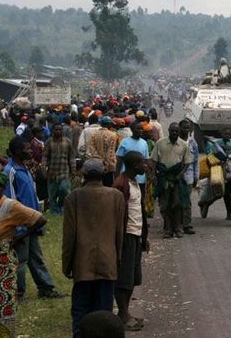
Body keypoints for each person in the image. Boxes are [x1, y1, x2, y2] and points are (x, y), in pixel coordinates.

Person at [62, 159, 126, 338]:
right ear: (104, 173)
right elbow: (119, 233)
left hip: (82, 263)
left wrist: (66, 264)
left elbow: (69, 237)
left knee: (80, 309)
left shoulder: (74, 197)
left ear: (83, 175)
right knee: (104, 311)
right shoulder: (116, 196)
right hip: (108, 261)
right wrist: (117, 259)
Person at [3, 137, 66, 300]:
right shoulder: (11, 171)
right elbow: (10, 201)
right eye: (27, 148)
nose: (31, 151)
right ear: (17, 151)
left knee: (36, 257)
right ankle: (18, 293)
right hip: (21, 226)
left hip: (33, 223)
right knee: (21, 260)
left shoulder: (25, 168)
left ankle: (46, 288)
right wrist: (17, 228)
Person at [0, 171, 46, 337]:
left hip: (1, 263)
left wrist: (18, 238)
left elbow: (39, 220)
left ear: (2, 188)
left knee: (1, 304)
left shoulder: (10, 206)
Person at [112, 151, 146, 332]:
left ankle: (125, 313)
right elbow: (116, 214)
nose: (145, 166)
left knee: (133, 277)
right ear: (134, 165)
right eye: (142, 163)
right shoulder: (121, 184)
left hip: (136, 235)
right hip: (126, 236)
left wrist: (144, 237)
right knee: (123, 278)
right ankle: (123, 315)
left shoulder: (134, 182)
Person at [151, 123, 191, 238]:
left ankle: (178, 228)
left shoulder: (184, 145)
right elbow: (153, 161)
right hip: (164, 178)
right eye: (172, 131)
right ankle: (168, 229)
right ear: (168, 130)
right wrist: (153, 175)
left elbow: (187, 163)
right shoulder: (160, 143)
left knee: (178, 204)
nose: (174, 133)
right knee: (165, 205)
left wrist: (180, 174)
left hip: (177, 178)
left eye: (176, 132)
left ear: (179, 132)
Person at [42, 123, 76, 214]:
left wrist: (73, 170)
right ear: (53, 131)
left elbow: (71, 157)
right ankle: (54, 211)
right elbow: (44, 156)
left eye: (60, 129)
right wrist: (43, 169)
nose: (58, 131)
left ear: (62, 131)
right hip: (52, 172)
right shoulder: (48, 142)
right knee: (52, 194)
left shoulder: (67, 142)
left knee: (64, 190)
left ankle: (61, 206)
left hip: (64, 172)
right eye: (56, 129)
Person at [87, 116, 119, 187]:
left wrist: (99, 160)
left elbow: (92, 150)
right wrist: (105, 164)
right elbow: (110, 152)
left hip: (97, 165)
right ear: (109, 124)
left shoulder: (94, 134)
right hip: (109, 167)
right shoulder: (113, 135)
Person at [179, 120, 198, 235]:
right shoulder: (175, 141)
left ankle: (186, 224)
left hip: (189, 177)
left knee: (186, 202)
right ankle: (177, 224)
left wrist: (196, 177)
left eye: (188, 128)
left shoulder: (193, 143)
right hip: (176, 176)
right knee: (176, 201)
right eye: (184, 128)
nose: (186, 130)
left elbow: (195, 161)